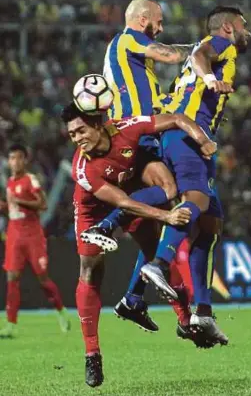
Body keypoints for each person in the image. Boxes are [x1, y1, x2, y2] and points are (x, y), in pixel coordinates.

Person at [60, 100, 216, 387]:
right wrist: (166, 215)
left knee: (153, 252)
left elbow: (177, 118)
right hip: (93, 209)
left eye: (81, 130)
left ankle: (184, 321)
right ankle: (92, 353)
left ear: (98, 123)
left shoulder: (127, 128)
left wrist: (203, 140)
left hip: (130, 194)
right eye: (72, 135)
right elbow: (122, 203)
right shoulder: (83, 168)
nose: (77, 139)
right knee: (91, 272)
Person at [140, 6, 251, 345]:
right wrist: (209, 79)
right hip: (188, 134)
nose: (248, 32)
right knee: (197, 201)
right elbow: (203, 55)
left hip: (193, 135)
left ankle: (202, 310)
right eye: (244, 26)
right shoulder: (220, 43)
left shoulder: (213, 50)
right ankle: (160, 263)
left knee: (209, 224)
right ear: (229, 27)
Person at [102, 0, 198, 327]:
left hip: (133, 135)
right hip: (133, 135)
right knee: (172, 192)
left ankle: (133, 298)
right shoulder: (129, 38)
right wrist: (199, 48)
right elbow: (171, 54)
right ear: (143, 20)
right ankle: (110, 219)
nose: (161, 28)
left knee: (154, 237)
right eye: (158, 22)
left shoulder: (137, 67)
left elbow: (159, 99)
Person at [0, 144, 70, 338]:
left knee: (42, 278)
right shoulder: (10, 183)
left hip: (32, 233)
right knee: (12, 278)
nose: (15, 162)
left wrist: (18, 201)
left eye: (19, 158)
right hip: (14, 232)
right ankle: (10, 325)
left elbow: (42, 204)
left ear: (25, 160)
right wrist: (5, 206)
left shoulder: (30, 180)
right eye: (12, 158)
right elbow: (13, 209)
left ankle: (61, 312)